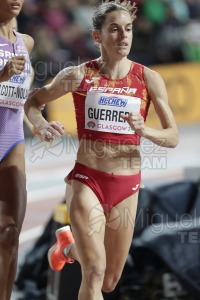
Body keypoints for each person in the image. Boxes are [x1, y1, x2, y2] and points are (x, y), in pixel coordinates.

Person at [24, 1, 179, 299]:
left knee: (109, 280)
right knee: (94, 271)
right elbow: (33, 101)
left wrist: (144, 129)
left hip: (127, 184)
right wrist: (39, 126)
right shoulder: (79, 75)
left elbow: (172, 137)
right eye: (114, 29)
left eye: (129, 29)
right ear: (97, 37)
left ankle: (67, 247)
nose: (124, 36)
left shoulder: (148, 78)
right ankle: (77, 248)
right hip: (88, 180)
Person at [0, 1, 34, 299]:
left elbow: (18, 98)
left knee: (10, 235)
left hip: (12, 139)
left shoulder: (27, 42)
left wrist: (38, 123)